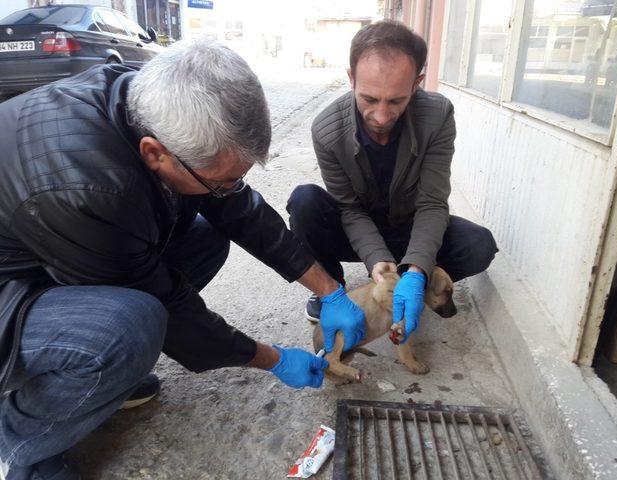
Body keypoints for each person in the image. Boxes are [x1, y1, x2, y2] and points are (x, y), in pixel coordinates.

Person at [0, 39, 365, 480]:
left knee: (206, 238)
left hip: (53, 248)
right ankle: (22, 442)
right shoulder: (90, 192)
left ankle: (100, 376)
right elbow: (172, 310)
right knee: (130, 326)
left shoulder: (145, 102)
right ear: (155, 153)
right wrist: (272, 358)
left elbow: (240, 211)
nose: (229, 190)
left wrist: (330, 291)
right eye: (221, 181)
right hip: (11, 286)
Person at [287, 20, 498, 342]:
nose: (382, 117)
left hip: (409, 226)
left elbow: (431, 202)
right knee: (304, 202)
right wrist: (377, 259)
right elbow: (349, 208)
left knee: (479, 246)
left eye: (396, 101)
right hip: (355, 229)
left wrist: (417, 268)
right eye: (369, 99)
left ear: (417, 83)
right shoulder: (326, 130)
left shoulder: (437, 116)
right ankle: (332, 290)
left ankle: (411, 283)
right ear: (351, 79)